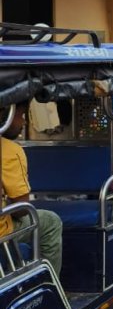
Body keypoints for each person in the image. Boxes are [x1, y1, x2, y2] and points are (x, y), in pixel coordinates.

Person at [0, 103, 63, 276]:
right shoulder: (9, 150)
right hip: (1, 233)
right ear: (6, 115)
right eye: (21, 115)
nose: (24, 122)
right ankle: (49, 284)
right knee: (51, 222)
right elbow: (21, 210)